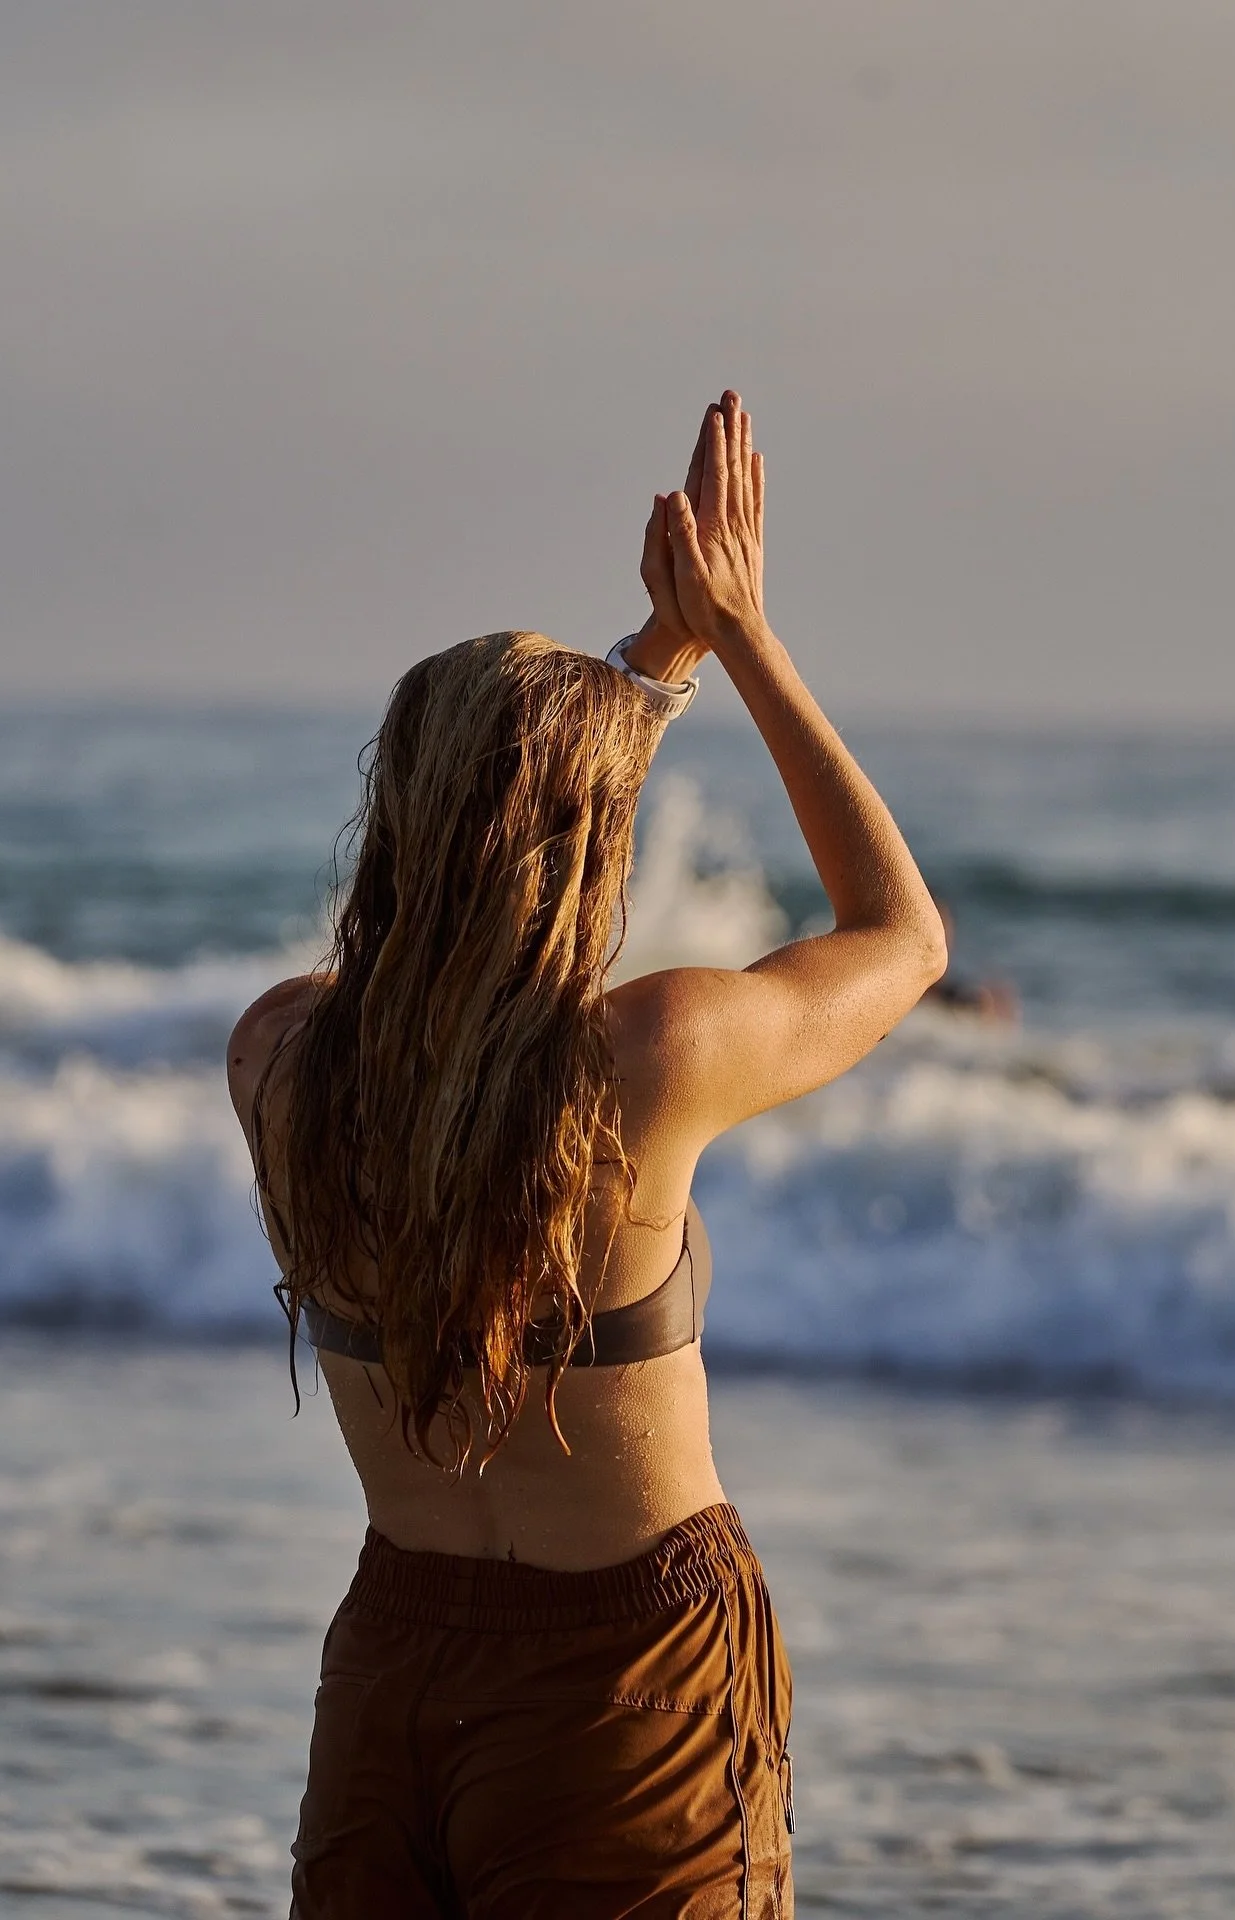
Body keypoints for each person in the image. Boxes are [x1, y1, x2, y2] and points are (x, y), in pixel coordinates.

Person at [226, 391, 946, 1918]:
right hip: (630, 1684)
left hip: (392, 1674)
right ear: (591, 836)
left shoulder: (284, 1060)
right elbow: (901, 937)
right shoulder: (647, 1061)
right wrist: (738, 637)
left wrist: (642, 668)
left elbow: (469, 913)